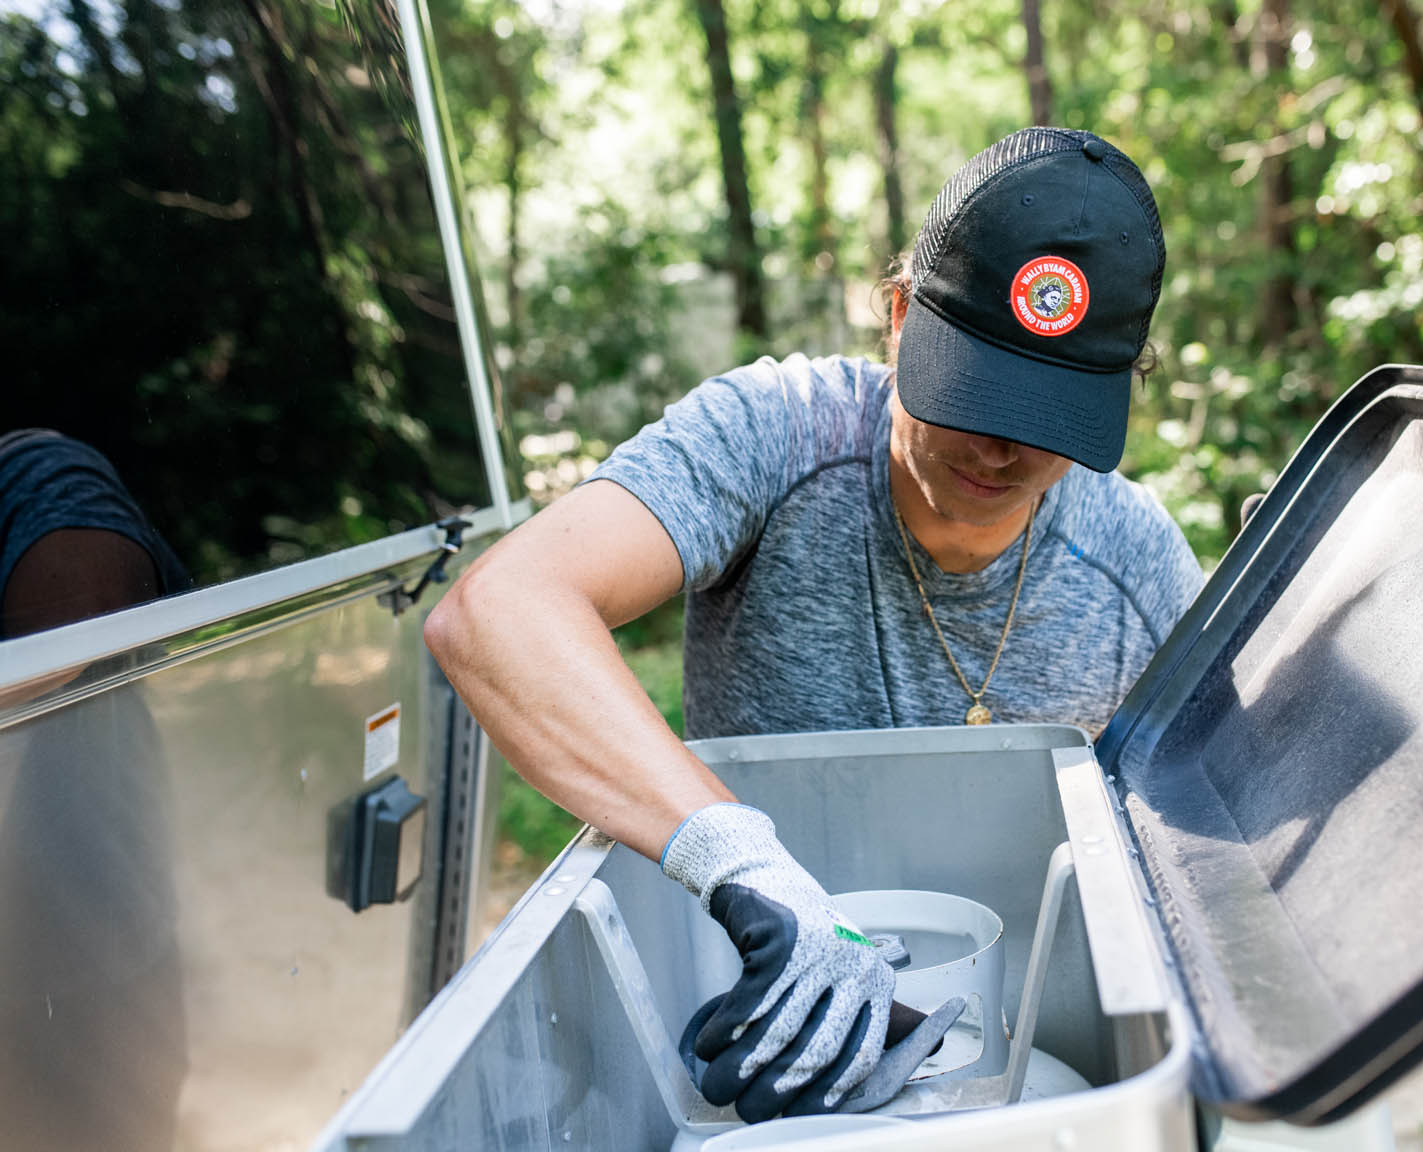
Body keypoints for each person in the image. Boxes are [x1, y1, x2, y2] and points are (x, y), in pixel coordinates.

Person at [424, 127, 1204, 1123]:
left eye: (1049, 414)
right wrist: (749, 872)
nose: (1004, 448)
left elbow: (1222, 842)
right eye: (978, 391)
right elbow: (496, 613)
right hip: (758, 1035)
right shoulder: (778, 434)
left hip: (1015, 1080)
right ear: (897, 317)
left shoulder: (1133, 559)